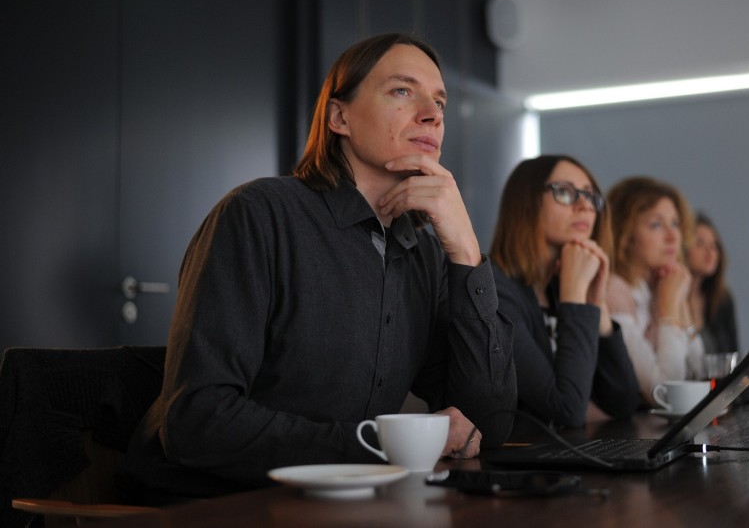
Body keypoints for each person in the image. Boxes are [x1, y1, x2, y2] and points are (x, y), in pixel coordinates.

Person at [119, 33, 517, 503]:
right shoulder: (258, 213)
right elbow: (197, 422)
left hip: (347, 506)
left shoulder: (423, 252)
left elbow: (484, 426)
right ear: (339, 117)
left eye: (440, 102)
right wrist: (377, 448)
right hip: (214, 505)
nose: (432, 113)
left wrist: (466, 253)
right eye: (403, 91)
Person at [490, 155, 640, 433]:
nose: (585, 205)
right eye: (565, 192)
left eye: (590, 195)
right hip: (508, 471)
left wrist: (597, 304)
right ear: (526, 202)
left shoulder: (560, 288)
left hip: (560, 466)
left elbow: (624, 401)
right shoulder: (494, 292)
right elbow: (567, 409)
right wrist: (574, 296)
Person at [605, 176, 704, 405]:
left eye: (675, 223)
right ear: (626, 235)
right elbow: (666, 394)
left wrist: (681, 307)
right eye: (656, 225)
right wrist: (669, 309)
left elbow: (699, 372)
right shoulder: (614, 291)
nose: (672, 237)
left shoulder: (657, 287)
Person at [687, 212, 739, 354]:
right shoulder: (669, 297)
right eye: (699, 243)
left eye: (714, 245)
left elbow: (733, 356)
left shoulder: (723, 299)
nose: (710, 251)